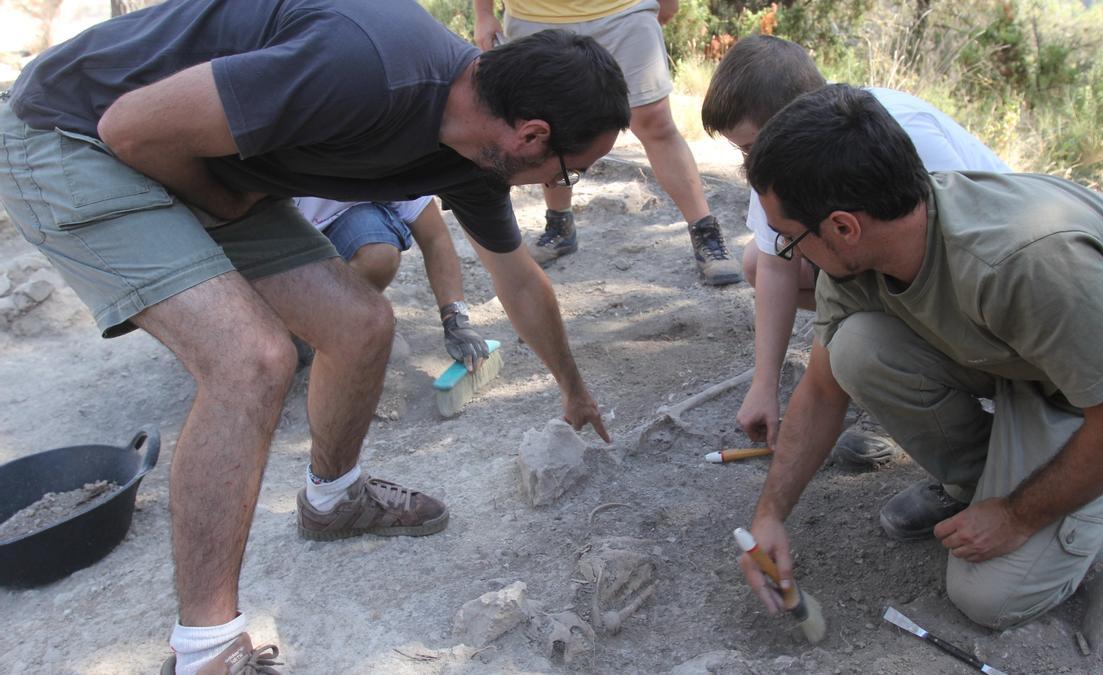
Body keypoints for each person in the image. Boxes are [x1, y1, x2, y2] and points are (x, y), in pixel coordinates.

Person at [0, 0, 627, 670]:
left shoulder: (475, 157)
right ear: (532, 136)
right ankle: (205, 650)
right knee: (251, 358)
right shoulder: (367, 68)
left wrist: (572, 384)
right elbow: (129, 127)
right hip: (73, 134)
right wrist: (223, 204)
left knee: (361, 324)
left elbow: (519, 279)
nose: (558, 183)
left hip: (199, 159)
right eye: (568, 170)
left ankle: (333, 499)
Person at [738, 84, 1103, 630]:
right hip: (1027, 359)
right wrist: (769, 515)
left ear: (843, 226)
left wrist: (1017, 515)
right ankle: (990, 482)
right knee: (854, 347)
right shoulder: (866, 253)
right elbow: (819, 390)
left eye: (791, 239)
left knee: (989, 596)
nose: (789, 254)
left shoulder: (1022, 263)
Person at [700, 35, 1009, 458]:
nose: (750, 163)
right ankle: (897, 381)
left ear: (794, 119)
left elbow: (969, 238)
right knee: (758, 260)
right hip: (903, 267)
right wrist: (763, 385)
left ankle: (963, 411)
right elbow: (776, 263)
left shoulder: (901, 130)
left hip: (979, 274)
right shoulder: (779, 159)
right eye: (743, 151)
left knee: (861, 337)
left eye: (752, 148)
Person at [473, 0, 743, 286]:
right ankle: (559, 225)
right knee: (544, 126)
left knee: (656, 122)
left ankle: (705, 232)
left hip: (623, 9)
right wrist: (483, 13)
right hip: (533, 15)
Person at [293, 197, 490, 368]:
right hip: (281, 238)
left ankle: (346, 327)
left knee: (378, 253)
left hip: (344, 228)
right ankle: (300, 329)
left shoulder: (386, 159)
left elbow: (435, 237)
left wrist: (455, 320)